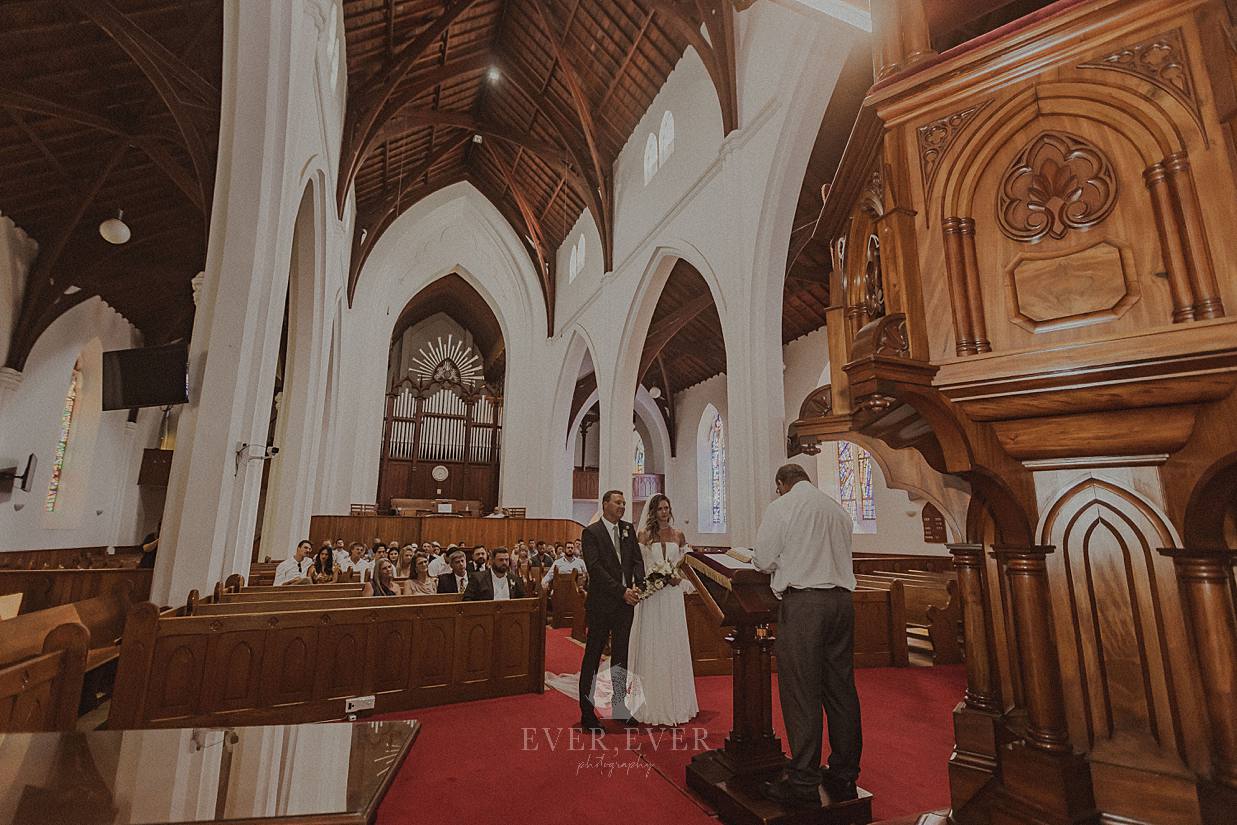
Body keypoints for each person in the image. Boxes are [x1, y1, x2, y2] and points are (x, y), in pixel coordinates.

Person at [754, 463, 861, 805]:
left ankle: (802, 781)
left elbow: (763, 559)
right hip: (842, 603)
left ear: (782, 483)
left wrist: (778, 560)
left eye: (777, 487)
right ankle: (844, 773)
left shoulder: (783, 506)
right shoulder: (837, 509)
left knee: (801, 692)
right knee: (841, 690)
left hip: (805, 606)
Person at [628, 493, 698, 726]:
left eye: (667, 508)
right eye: (660, 509)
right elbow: (639, 566)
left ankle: (678, 703)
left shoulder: (679, 535)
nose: (664, 512)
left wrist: (677, 577)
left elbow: (686, 565)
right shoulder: (645, 535)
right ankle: (651, 702)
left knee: (672, 641)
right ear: (653, 512)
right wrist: (654, 578)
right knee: (654, 642)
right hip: (653, 595)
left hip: (672, 595)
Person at [578, 490, 645, 733]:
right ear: (605, 504)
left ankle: (620, 708)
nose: (622, 506)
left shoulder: (628, 529)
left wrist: (638, 584)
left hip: (625, 605)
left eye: (624, 503)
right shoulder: (592, 532)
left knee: (621, 657)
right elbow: (595, 569)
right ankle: (587, 713)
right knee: (593, 656)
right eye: (618, 502)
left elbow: (636, 560)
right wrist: (621, 591)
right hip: (601, 604)